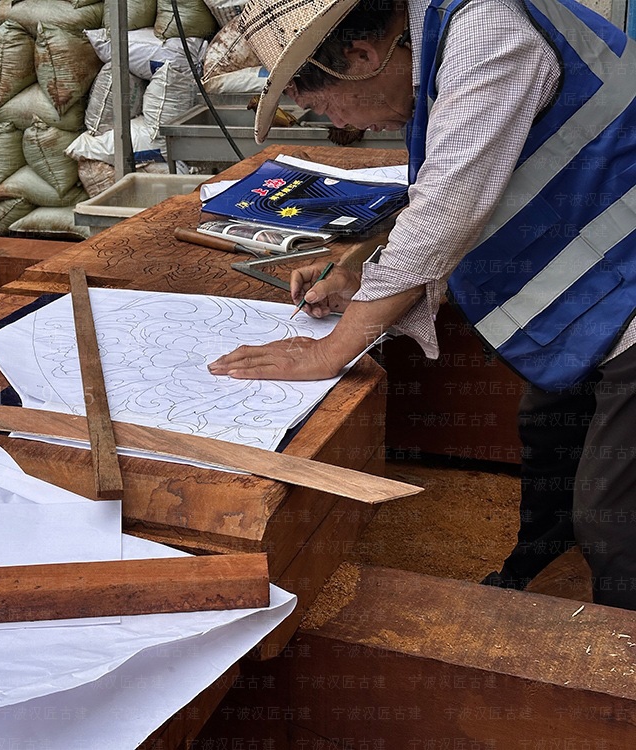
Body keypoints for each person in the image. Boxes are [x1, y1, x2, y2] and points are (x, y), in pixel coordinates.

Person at [208, 0, 636, 608]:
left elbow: (447, 209)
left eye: (324, 106)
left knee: (615, 518)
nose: (340, 124)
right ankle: (537, 578)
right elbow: (454, 186)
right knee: (550, 431)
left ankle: (613, 649)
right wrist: (364, 274)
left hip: (626, 289)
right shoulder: (441, 36)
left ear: (362, 56)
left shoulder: (487, 32)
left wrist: (331, 350)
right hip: (604, 281)